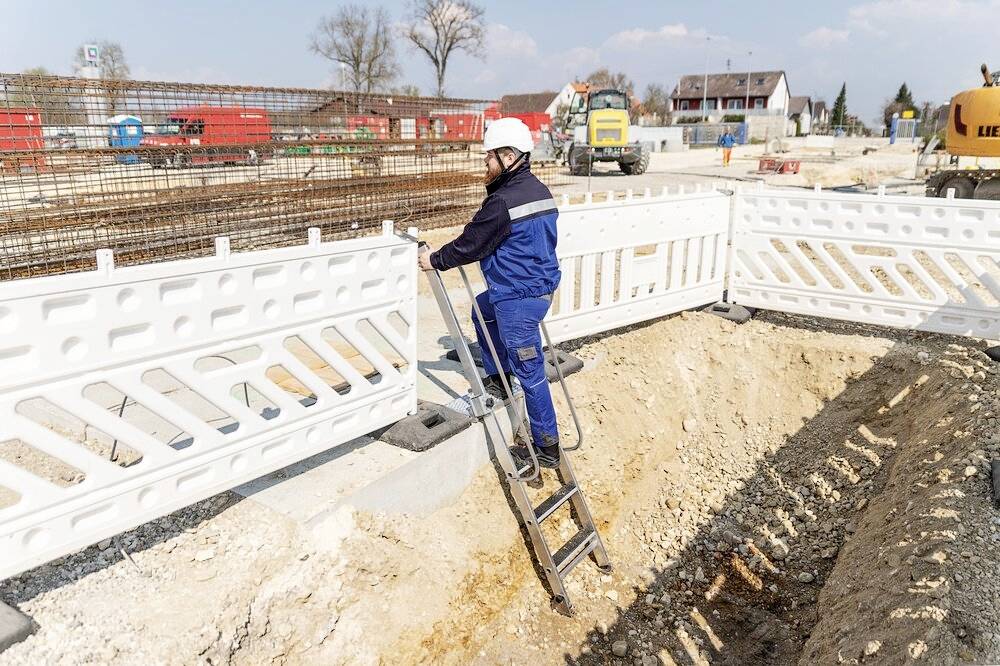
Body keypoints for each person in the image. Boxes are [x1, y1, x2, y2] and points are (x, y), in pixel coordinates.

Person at [417, 118, 562, 469]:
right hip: (536, 287)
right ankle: (498, 377)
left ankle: (547, 447)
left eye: (489, 156)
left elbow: (472, 243)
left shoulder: (503, 202)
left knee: (530, 372)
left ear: (509, 156)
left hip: (518, 298)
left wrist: (434, 260)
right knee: (481, 310)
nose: (485, 162)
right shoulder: (538, 190)